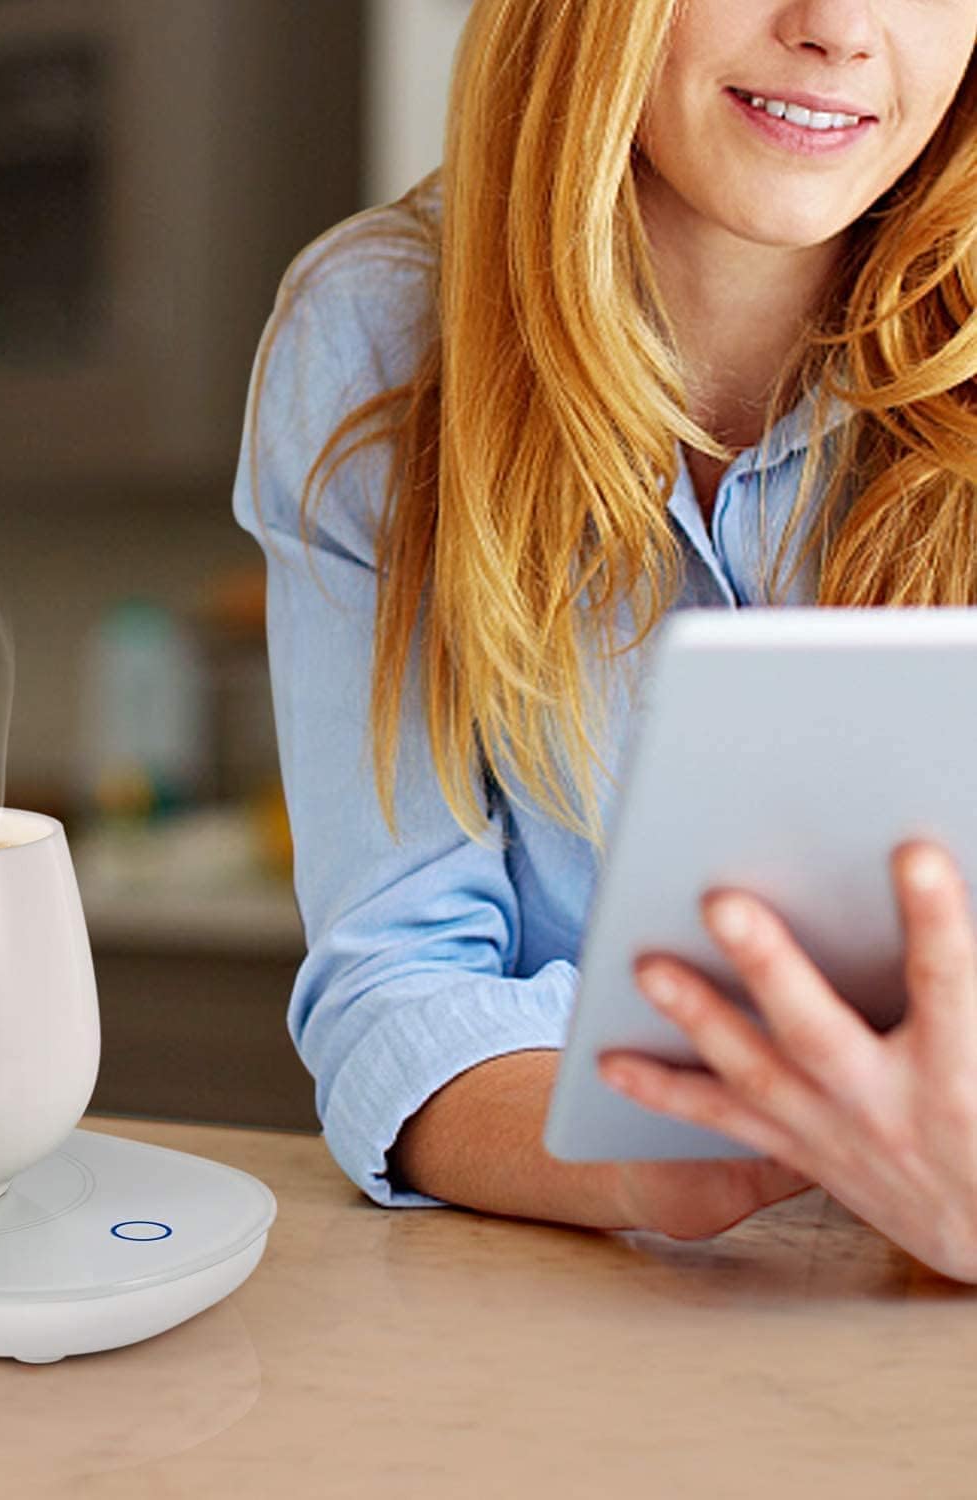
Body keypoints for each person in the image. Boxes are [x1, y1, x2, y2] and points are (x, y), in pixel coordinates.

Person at [232, 0, 977, 1280]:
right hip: (612, 1319)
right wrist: (656, 1154)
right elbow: (398, 993)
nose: (841, 29)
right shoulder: (379, 336)